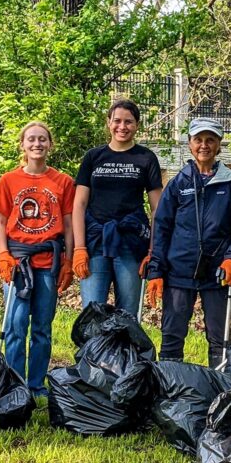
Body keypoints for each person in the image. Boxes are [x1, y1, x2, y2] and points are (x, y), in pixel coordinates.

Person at [145, 118, 231, 366]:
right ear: (190, 144)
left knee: (219, 338)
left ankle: (218, 391)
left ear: (218, 145)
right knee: (172, 336)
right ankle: (172, 392)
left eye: (210, 140)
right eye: (198, 140)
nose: (204, 145)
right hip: (179, 271)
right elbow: (162, 227)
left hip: (217, 273)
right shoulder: (177, 183)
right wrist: (156, 270)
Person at [0, 121, 74, 403]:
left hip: (48, 261)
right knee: (15, 325)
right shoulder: (9, 181)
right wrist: (3, 254)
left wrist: (69, 259)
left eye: (42, 139)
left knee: (42, 326)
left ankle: (36, 384)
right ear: (22, 145)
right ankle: (15, 383)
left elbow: (69, 222)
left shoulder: (63, 182)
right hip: (17, 261)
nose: (36, 144)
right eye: (31, 140)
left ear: (50, 144)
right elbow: (0, 221)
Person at [72, 100, 163, 312]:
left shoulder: (146, 158)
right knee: (93, 312)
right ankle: (94, 347)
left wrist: (153, 250)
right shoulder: (93, 157)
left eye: (129, 122)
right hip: (95, 243)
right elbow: (79, 204)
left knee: (128, 313)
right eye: (117, 121)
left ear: (137, 125)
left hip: (131, 243)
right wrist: (79, 248)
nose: (122, 127)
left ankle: (126, 347)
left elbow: (157, 208)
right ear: (108, 122)